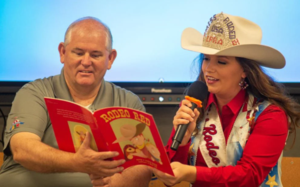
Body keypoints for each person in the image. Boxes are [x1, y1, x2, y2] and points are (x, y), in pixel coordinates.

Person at [149, 12, 300, 187]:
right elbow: (171, 176)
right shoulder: (196, 106)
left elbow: (249, 175)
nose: (208, 69)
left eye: (221, 62)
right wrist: (182, 141)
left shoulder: (270, 115)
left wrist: (193, 173)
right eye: (206, 59)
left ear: (245, 70)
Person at [0, 17, 152, 187]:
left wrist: (119, 181)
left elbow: (144, 166)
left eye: (96, 55)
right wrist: (76, 162)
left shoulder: (128, 102)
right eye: (78, 53)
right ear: (62, 52)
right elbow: (23, 149)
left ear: (110, 58)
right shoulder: (35, 93)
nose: (86, 62)